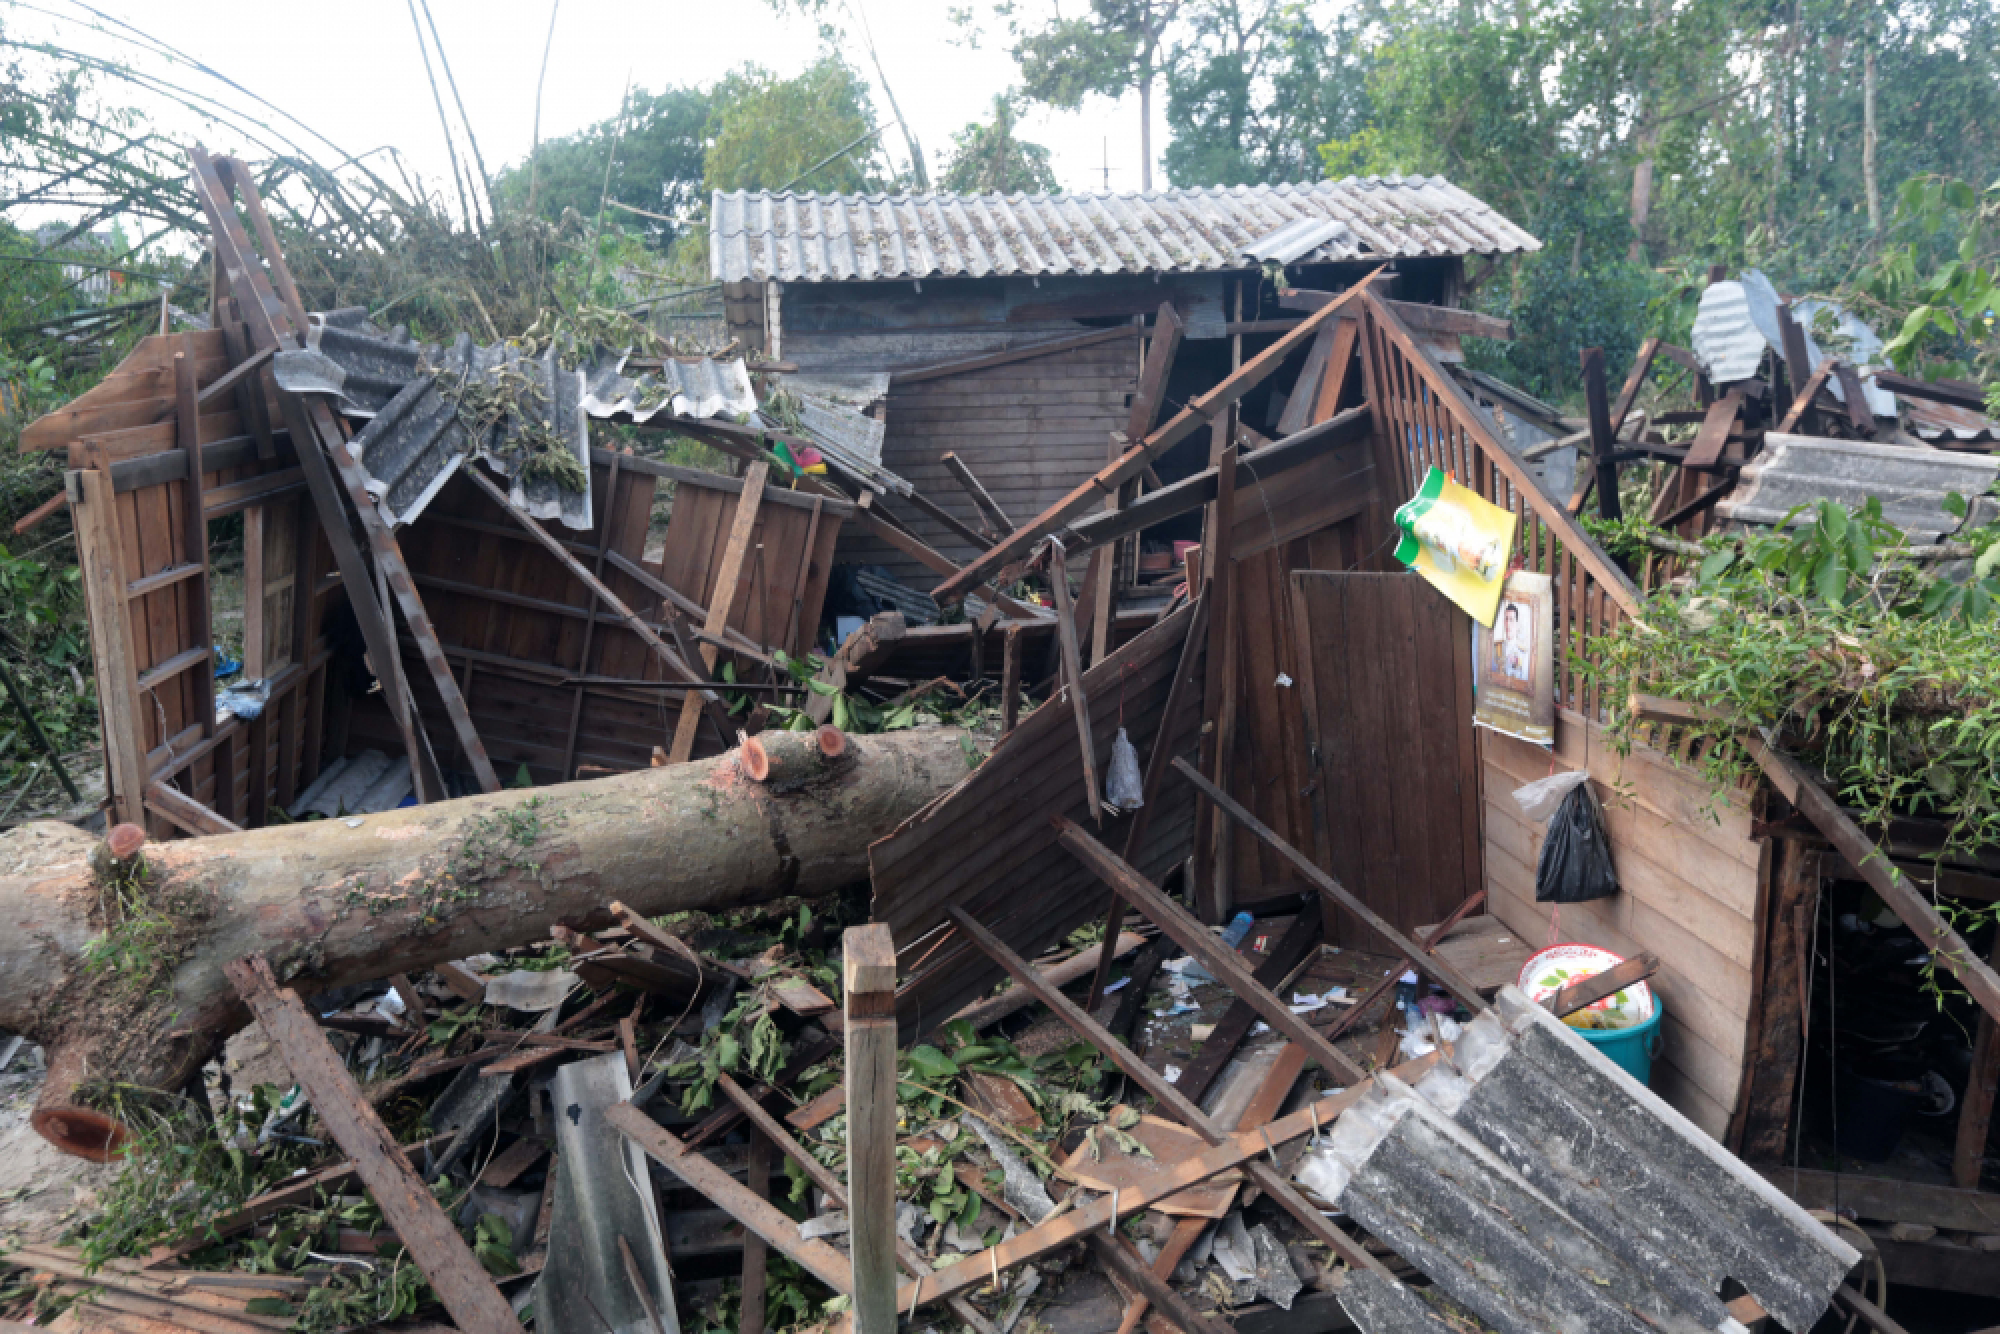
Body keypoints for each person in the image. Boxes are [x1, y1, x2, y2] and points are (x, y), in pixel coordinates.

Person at [1498, 601, 1531, 681]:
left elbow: (1524, 679)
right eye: (1506, 619)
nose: (1508, 623)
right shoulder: (1497, 648)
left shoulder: (1523, 652)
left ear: (1517, 624)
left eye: (1511, 620)